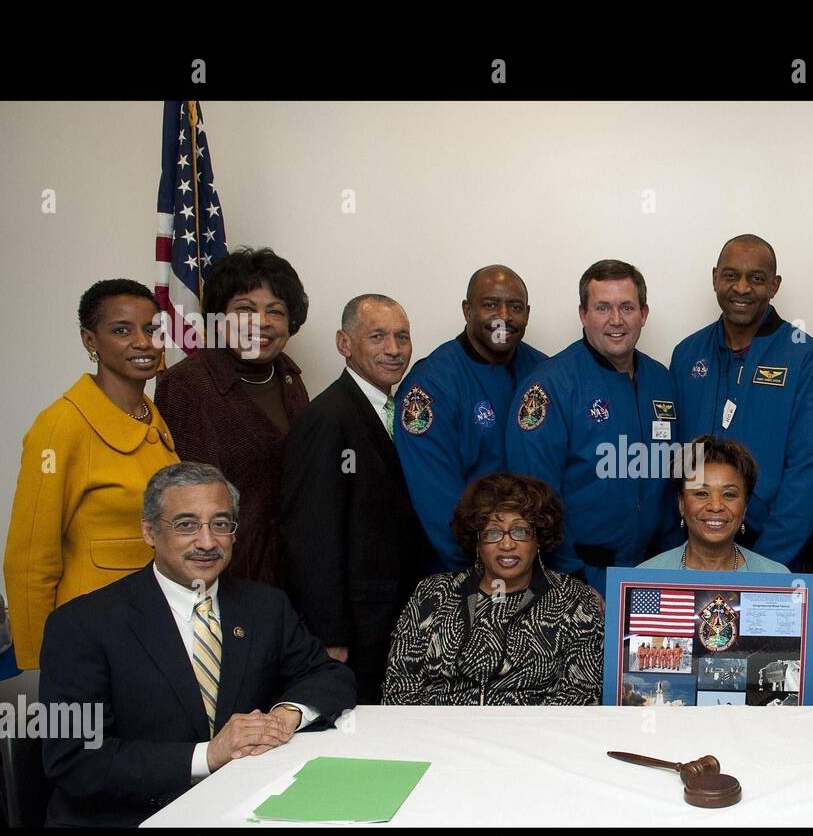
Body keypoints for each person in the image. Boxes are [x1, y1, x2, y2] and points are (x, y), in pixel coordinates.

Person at [40, 463, 356, 827]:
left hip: (242, 809)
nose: (207, 542)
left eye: (220, 524)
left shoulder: (264, 606)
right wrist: (208, 756)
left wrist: (283, 717)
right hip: (132, 818)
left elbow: (329, 675)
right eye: (186, 525)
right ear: (149, 532)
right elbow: (73, 759)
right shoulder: (80, 625)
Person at [4, 278, 178, 669]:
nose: (143, 342)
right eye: (122, 330)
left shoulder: (151, 417)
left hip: (155, 625)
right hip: (93, 634)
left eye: (152, 330)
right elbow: (30, 555)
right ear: (89, 341)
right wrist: (41, 659)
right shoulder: (60, 425)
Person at [281, 294, 434, 704]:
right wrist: (330, 634)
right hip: (354, 627)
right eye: (378, 336)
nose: (394, 349)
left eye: (402, 336)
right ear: (344, 343)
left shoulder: (399, 410)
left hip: (394, 617)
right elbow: (312, 536)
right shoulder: (327, 418)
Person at [506, 259, 678, 598]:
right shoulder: (549, 387)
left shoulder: (662, 380)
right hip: (580, 577)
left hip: (656, 571)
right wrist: (575, 581)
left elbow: (673, 478)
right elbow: (534, 500)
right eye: (603, 308)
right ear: (583, 314)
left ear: (644, 314)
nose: (616, 320)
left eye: (627, 307)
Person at [670, 234, 813, 569]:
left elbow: (806, 475)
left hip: (774, 556)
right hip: (694, 557)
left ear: (774, 285)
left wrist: (761, 566)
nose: (742, 288)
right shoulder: (687, 354)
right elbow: (675, 462)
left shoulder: (805, 357)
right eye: (731, 275)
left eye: (756, 278)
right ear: (715, 277)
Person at [153, 246, 311, 585]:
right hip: (221, 575)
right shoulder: (186, 385)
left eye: (276, 311)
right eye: (244, 309)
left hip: (293, 574)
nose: (262, 322)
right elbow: (184, 497)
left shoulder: (289, 377)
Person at [383, 472, 603, 705]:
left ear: (538, 538)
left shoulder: (575, 600)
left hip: (532, 736)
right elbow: (399, 689)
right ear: (477, 541)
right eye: (493, 533)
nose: (507, 544)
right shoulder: (432, 594)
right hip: (439, 734)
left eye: (520, 531)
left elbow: (582, 696)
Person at [394, 265, 547, 571]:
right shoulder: (430, 386)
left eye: (515, 307)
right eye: (490, 304)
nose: (504, 315)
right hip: (463, 570)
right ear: (467, 310)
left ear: (527, 314)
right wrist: (487, 570)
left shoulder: (544, 372)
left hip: (535, 565)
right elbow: (436, 501)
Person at [640, 437, 788, 572]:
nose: (716, 506)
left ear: (745, 506)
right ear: (681, 503)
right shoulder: (645, 576)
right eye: (702, 493)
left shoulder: (777, 577)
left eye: (729, 494)